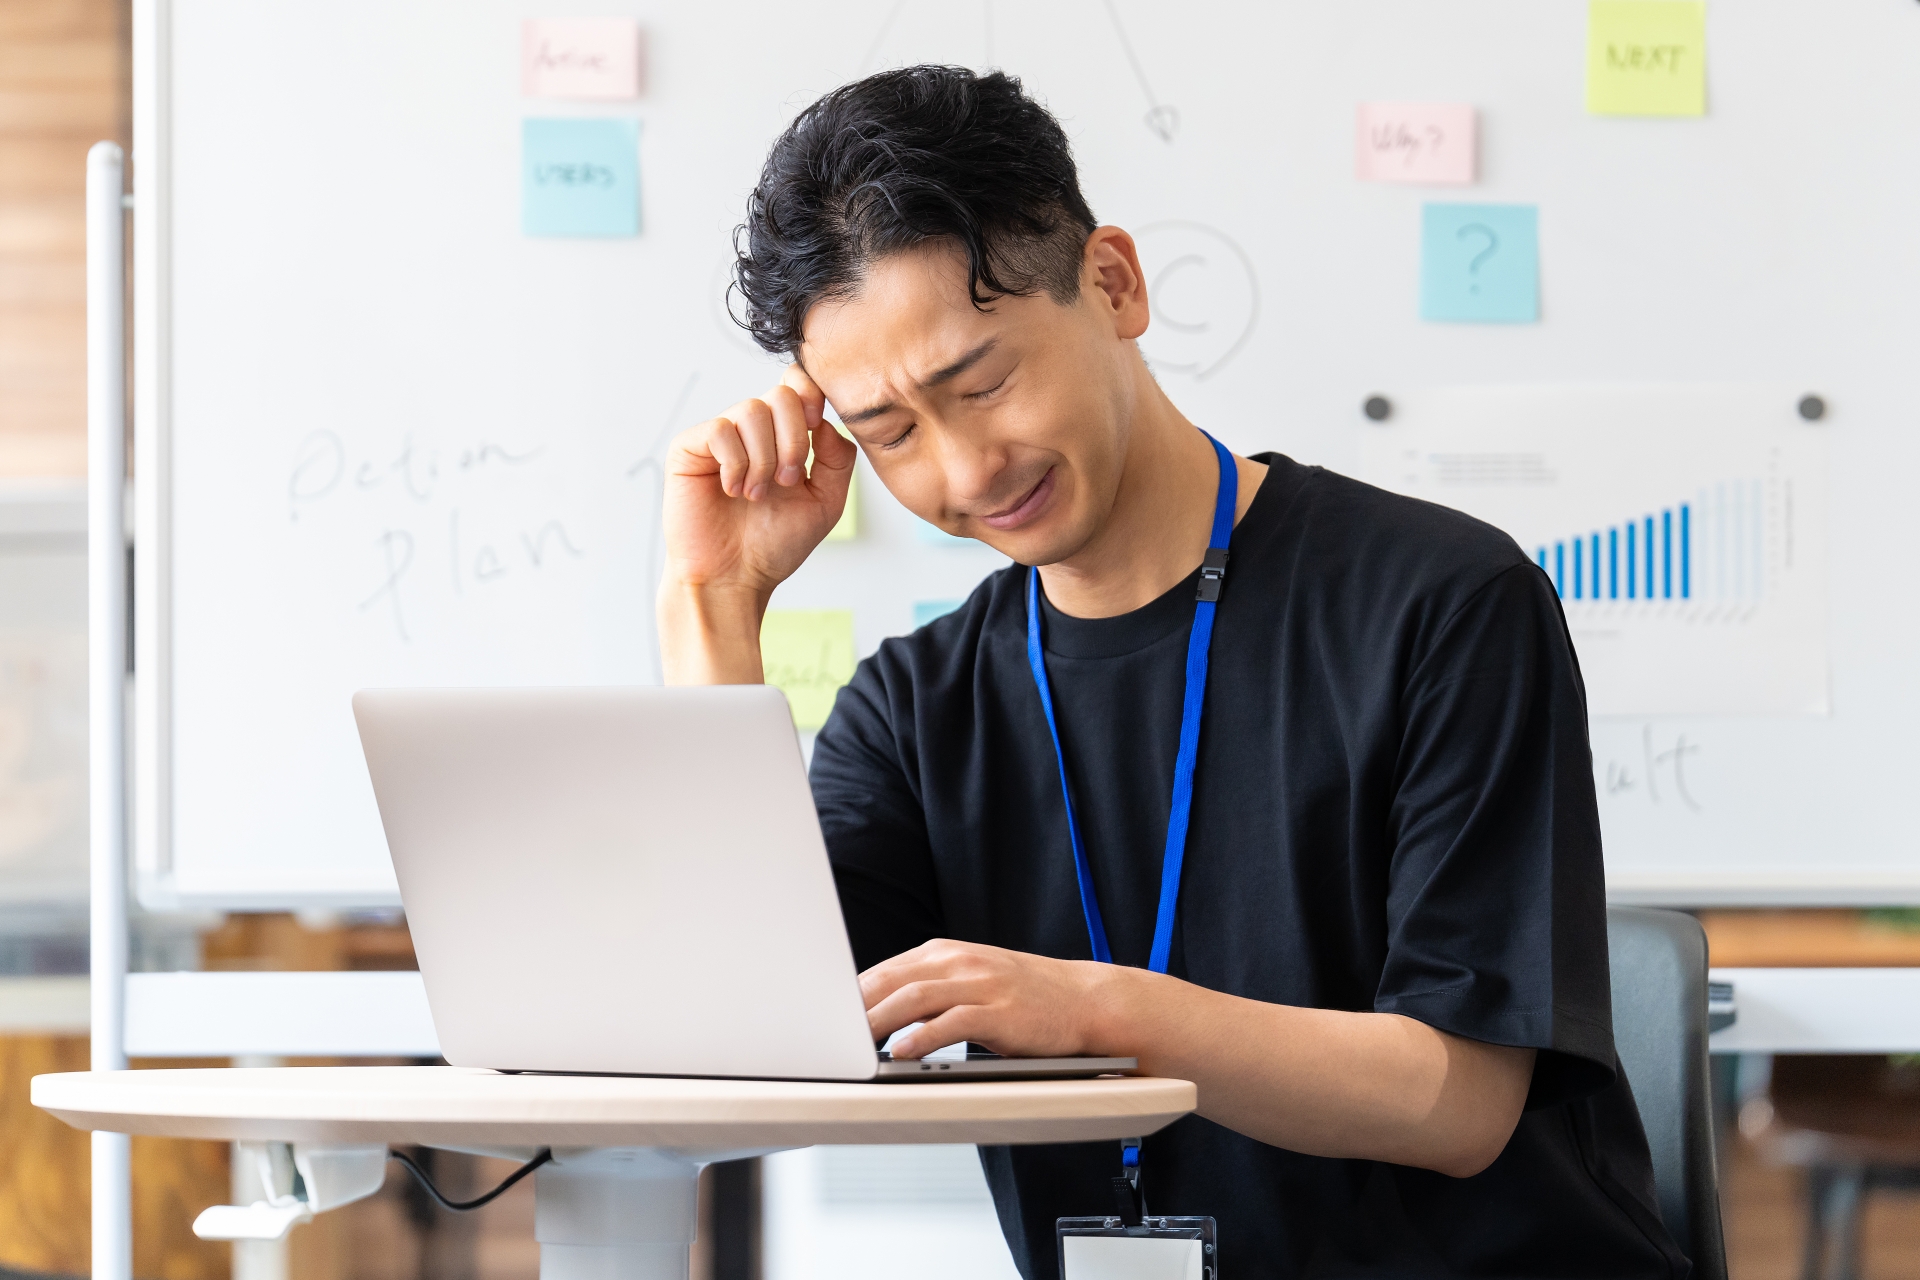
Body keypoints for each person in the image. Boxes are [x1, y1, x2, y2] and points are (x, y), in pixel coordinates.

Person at [658, 65, 1687, 1280]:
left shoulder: (1444, 602)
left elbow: (1457, 1103)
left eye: (982, 381)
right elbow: (734, 1047)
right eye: (888, 432)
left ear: (1114, 283)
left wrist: (1099, 1012)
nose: (966, 468)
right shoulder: (913, 707)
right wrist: (714, 611)